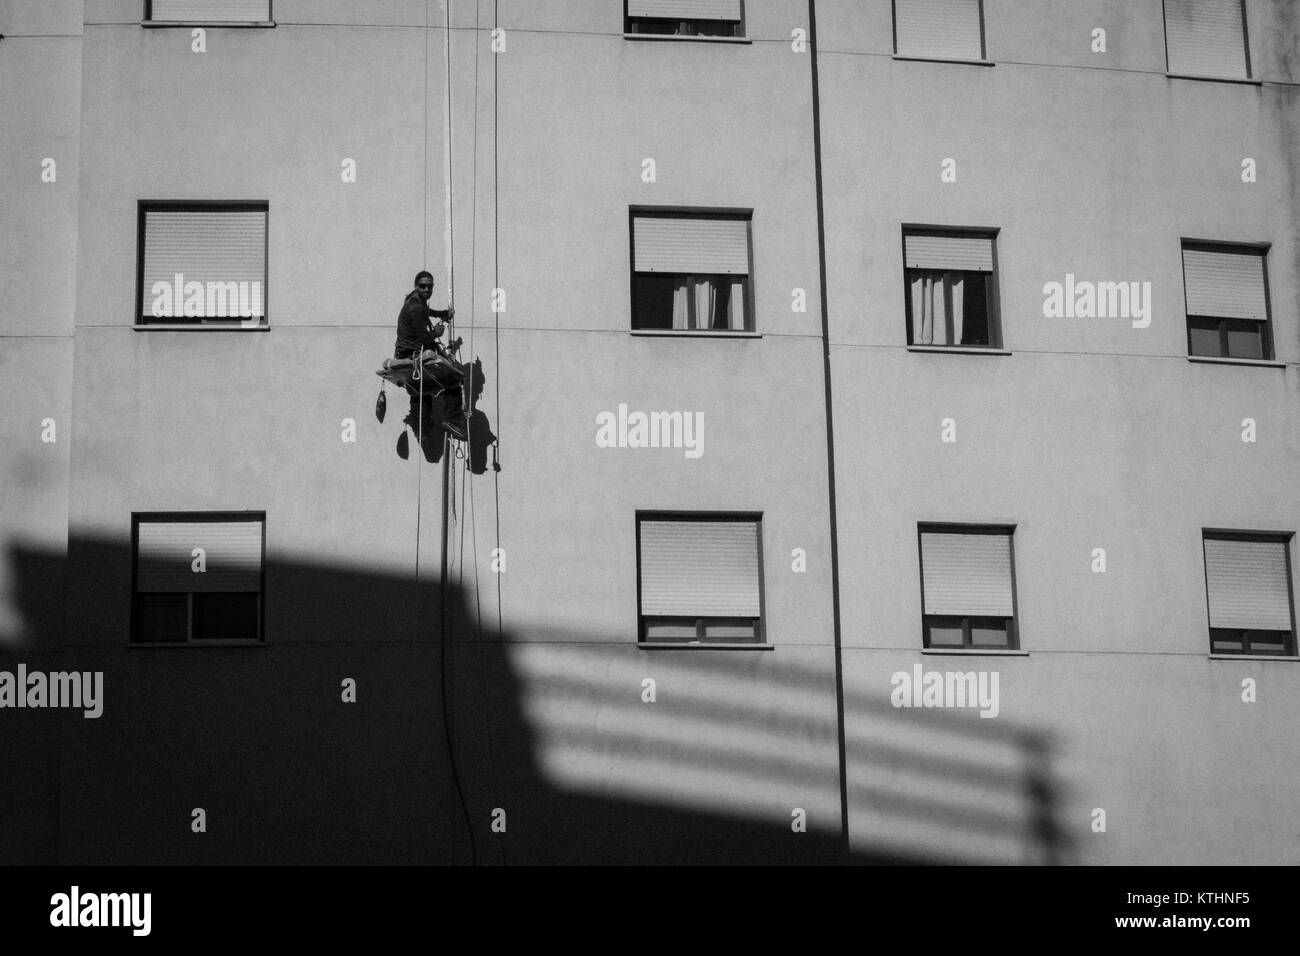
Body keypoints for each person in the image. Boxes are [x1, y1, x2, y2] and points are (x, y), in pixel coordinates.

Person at [394, 270, 454, 359]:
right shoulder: (415, 307)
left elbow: (425, 311)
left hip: (405, 350)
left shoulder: (415, 299)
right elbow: (424, 338)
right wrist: (436, 333)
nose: (427, 289)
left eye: (430, 286)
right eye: (423, 286)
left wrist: (441, 313)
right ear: (416, 286)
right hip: (409, 353)